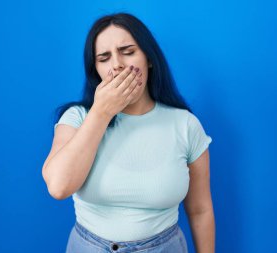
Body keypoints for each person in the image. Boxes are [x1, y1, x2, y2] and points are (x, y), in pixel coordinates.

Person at [42, 12, 215, 253]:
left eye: (128, 51)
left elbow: (200, 209)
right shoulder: (77, 118)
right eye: (104, 57)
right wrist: (101, 112)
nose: (117, 65)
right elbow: (59, 187)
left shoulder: (185, 125)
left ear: (149, 59)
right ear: (96, 70)